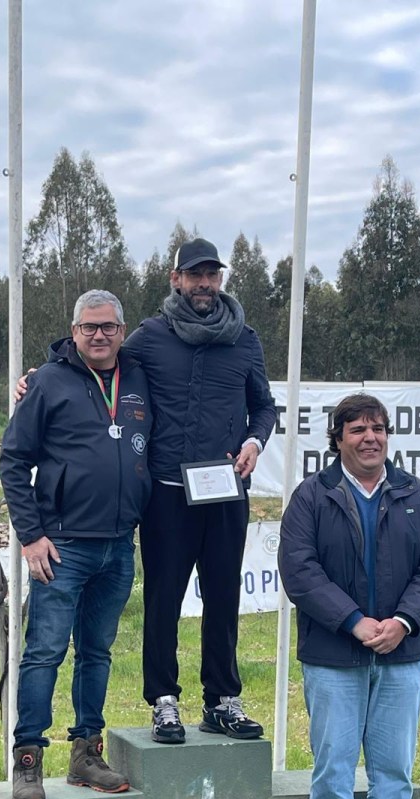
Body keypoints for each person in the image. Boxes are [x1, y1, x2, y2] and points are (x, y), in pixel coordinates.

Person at [279, 393, 420, 799]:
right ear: (337, 439)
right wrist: (353, 622)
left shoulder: (417, 496)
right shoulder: (311, 497)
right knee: (332, 765)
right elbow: (300, 571)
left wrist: (403, 622)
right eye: (357, 429)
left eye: (378, 428)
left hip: (401, 655)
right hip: (334, 655)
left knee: (394, 766)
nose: (370, 438)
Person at [0, 289, 152, 799]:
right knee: (44, 652)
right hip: (61, 545)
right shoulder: (47, 382)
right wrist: (30, 535)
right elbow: (13, 460)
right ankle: (27, 761)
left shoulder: (139, 379)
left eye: (108, 326)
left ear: (122, 331)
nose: (99, 335)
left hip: (119, 544)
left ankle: (87, 754)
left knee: (97, 653)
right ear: (74, 331)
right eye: (89, 327)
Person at [122, 238, 275, 744]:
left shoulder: (244, 339)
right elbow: (98, 363)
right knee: (163, 598)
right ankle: (163, 701)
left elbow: (264, 406)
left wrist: (254, 441)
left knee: (224, 595)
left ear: (221, 279)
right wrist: (42, 374)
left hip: (226, 490)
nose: (204, 284)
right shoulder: (149, 337)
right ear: (176, 279)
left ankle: (222, 700)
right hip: (167, 494)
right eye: (195, 275)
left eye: (212, 275)